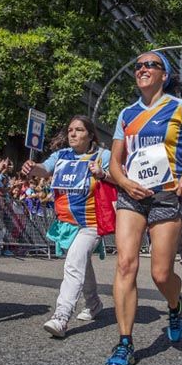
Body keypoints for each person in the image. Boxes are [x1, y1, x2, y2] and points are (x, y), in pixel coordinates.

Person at [104, 50, 182, 365]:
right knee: (125, 263)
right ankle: (125, 343)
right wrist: (124, 183)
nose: (142, 69)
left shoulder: (179, 108)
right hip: (132, 195)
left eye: (150, 65)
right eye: (138, 65)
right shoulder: (126, 114)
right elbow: (115, 161)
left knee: (161, 274)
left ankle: (174, 304)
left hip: (167, 196)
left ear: (163, 75)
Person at [21, 115, 111, 338]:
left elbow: (121, 178)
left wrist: (103, 174)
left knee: (74, 262)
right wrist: (33, 167)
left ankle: (61, 316)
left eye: (79, 130)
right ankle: (94, 304)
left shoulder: (103, 155)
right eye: (70, 129)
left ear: (90, 134)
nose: (72, 134)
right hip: (67, 223)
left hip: (91, 223)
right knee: (80, 261)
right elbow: (44, 169)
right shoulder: (60, 155)